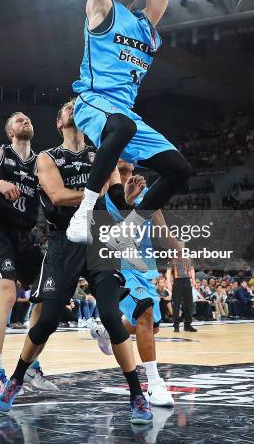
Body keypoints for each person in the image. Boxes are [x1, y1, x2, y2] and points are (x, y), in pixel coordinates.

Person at [0, 101, 153, 425]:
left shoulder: (101, 155)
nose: (72, 108)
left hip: (100, 240)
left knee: (109, 315)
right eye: (67, 107)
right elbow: (57, 196)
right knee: (47, 320)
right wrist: (97, 193)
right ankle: (16, 380)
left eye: (75, 106)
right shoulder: (48, 157)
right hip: (64, 241)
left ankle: (137, 394)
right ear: (58, 122)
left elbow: (116, 200)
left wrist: (129, 198)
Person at [66, 0, 192, 246]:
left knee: (179, 170)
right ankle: (85, 211)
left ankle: (129, 229)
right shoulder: (101, 7)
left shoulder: (145, 23)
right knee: (119, 126)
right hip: (92, 102)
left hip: (125, 112)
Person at [0, 112, 53, 394]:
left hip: (27, 236)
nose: (25, 120)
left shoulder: (41, 163)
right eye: (18, 120)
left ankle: (30, 365)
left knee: (47, 296)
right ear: (10, 132)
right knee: (6, 293)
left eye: (28, 119)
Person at [98, 159, 175, 406]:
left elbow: (161, 230)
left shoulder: (148, 193)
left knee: (150, 327)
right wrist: (128, 200)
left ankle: (107, 331)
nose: (125, 153)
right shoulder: (103, 189)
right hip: (118, 265)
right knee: (145, 313)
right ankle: (154, 383)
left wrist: (178, 247)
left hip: (145, 268)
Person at [166, 258, 197, 332]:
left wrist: (193, 280)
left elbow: (192, 269)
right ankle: (176, 325)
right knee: (176, 305)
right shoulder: (172, 260)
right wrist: (169, 284)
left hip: (187, 281)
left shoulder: (188, 259)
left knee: (189, 304)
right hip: (177, 282)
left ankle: (187, 325)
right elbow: (168, 271)